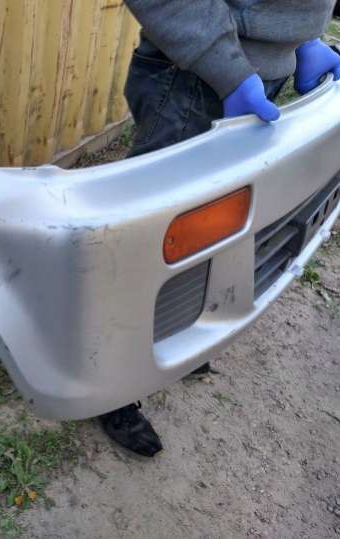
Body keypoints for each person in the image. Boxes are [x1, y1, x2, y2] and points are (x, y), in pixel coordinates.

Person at [98, 0, 340, 457]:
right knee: (149, 243)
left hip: (247, 75)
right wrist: (225, 66)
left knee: (206, 232)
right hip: (195, 77)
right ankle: (111, 381)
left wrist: (302, 39)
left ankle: (171, 336)